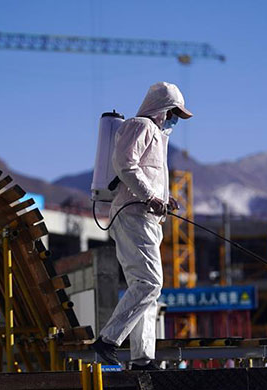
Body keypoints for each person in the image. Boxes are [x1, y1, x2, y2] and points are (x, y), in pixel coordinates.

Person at [91, 82, 192, 370]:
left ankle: (142, 357)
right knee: (149, 283)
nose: (174, 119)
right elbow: (125, 164)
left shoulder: (157, 136)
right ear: (162, 108)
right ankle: (108, 340)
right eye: (173, 112)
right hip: (133, 214)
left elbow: (141, 172)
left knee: (146, 287)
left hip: (144, 217)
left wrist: (164, 198)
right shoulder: (141, 126)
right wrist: (151, 196)